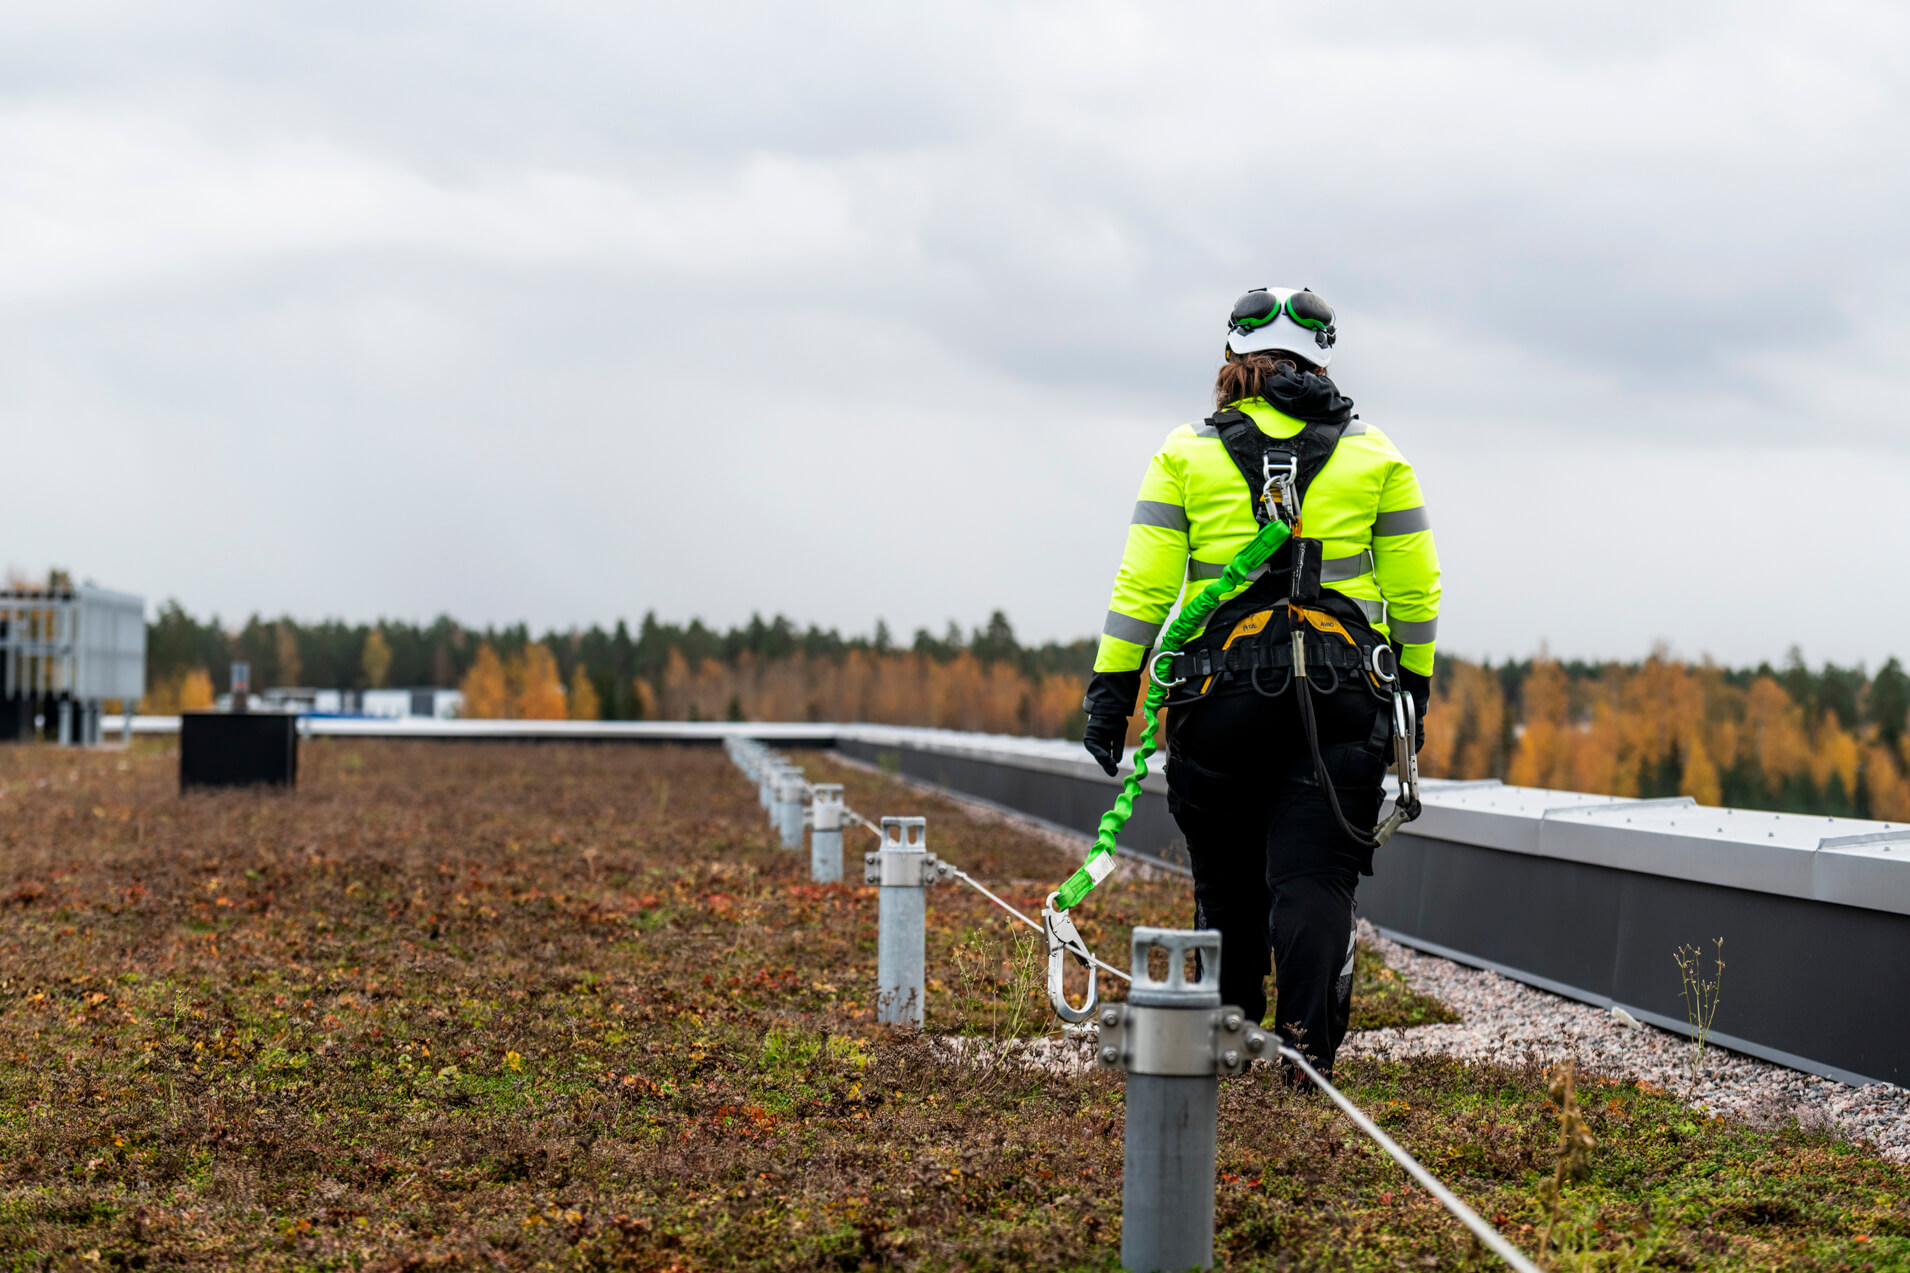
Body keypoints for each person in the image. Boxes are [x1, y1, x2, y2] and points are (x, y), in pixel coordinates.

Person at [1080, 287, 1440, 1080]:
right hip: (1343, 699)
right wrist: (1412, 691)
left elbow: (1142, 588)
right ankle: (1306, 1063)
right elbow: (1416, 594)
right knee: (1314, 879)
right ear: (1321, 358)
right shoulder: (1377, 455)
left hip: (1216, 704)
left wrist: (1112, 692)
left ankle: (1228, 1050)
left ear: (1234, 357)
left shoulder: (1186, 453)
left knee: (1227, 881)